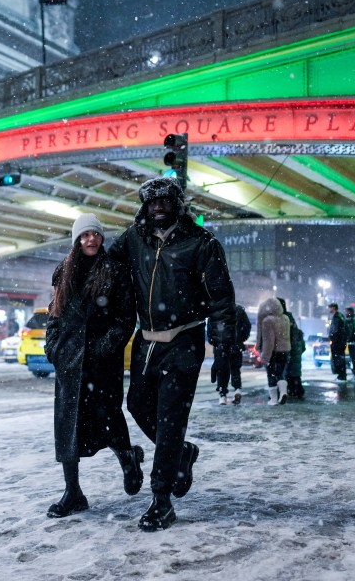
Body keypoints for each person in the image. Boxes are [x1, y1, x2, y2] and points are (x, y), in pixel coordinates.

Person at [109, 177, 236, 531]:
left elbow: (222, 298)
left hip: (184, 341)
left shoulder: (202, 243)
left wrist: (223, 345)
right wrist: (70, 272)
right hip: (146, 341)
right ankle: (182, 453)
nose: (158, 207)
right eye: (152, 202)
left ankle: (161, 500)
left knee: (169, 419)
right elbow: (104, 265)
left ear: (178, 204)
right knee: (137, 405)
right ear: (145, 207)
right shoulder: (133, 239)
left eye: (165, 201)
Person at [43, 214, 142, 518]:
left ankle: (128, 457)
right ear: (76, 239)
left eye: (95, 234)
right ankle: (73, 492)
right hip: (69, 362)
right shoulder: (63, 271)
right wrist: (53, 347)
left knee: (108, 418)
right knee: (67, 426)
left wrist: (102, 349)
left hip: (102, 363)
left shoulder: (115, 271)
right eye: (85, 235)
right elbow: (54, 314)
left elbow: (125, 319)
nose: (91, 239)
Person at [210, 303, 250, 405]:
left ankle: (222, 395)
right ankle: (237, 389)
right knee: (235, 369)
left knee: (221, 371)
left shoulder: (216, 310)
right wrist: (241, 339)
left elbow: (210, 329)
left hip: (220, 347)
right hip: (235, 346)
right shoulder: (239, 310)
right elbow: (247, 326)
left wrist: (214, 342)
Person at [257, 297, 291, 405]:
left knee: (271, 374)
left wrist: (265, 357)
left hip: (274, 352)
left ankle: (273, 399)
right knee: (280, 373)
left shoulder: (267, 321)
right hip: (285, 350)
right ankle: (283, 392)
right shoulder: (285, 318)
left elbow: (269, 341)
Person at [279, 298, 305, 399]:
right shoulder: (293, 325)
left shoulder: (283, 319)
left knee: (285, 373)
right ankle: (296, 391)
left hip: (289, 351)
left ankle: (289, 391)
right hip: (294, 351)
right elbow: (302, 346)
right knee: (294, 374)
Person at [328, 303, 348, 381]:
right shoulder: (341, 316)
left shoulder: (337, 317)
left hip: (337, 342)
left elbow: (335, 330)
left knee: (338, 359)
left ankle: (341, 376)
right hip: (341, 341)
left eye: (330, 308)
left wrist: (332, 337)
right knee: (340, 358)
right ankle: (342, 375)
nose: (329, 310)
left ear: (334, 308)